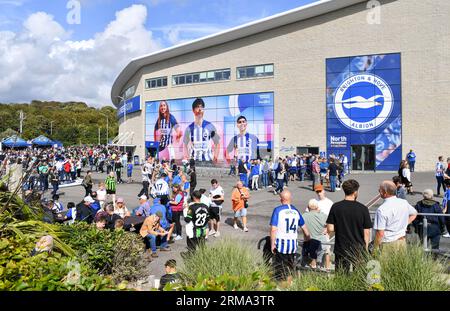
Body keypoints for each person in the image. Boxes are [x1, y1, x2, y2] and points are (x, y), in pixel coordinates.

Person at [326, 179, 372, 273]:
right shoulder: (363, 209)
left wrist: (341, 226)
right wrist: (366, 248)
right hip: (358, 248)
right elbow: (366, 232)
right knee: (359, 276)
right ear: (355, 192)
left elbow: (330, 228)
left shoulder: (336, 207)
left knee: (341, 276)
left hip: (341, 248)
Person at [270, 190, 311, 281]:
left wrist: (272, 244)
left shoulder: (278, 210)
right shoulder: (295, 211)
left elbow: (273, 229)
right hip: (292, 244)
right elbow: (304, 227)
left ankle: (281, 284)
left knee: (280, 267)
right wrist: (308, 239)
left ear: (281, 199)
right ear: (290, 199)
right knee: (290, 265)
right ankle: (289, 283)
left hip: (281, 243)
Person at [373, 181, 417, 252]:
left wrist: (375, 248)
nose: (379, 191)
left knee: (385, 263)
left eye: (379, 190)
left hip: (388, 244)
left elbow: (380, 233)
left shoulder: (382, 209)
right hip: (401, 241)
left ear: (385, 192)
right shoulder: (403, 202)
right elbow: (414, 213)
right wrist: (405, 223)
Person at [183, 98, 220, 162]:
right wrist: (187, 157)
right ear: (193, 110)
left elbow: (217, 143)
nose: (200, 109)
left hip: (208, 162)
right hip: (194, 163)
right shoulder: (189, 128)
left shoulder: (210, 126)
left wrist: (215, 157)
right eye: (197, 107)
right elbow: (185, 145)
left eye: (202, 107)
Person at [302, 199, 329, 270]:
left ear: (308, 207)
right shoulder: (323, 216)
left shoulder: (304, 216)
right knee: (325, 247)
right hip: (321, 245)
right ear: (317, 207)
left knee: (308, 249)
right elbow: (330, 226)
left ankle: (311, 262)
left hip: (308, 243)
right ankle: (320, 264)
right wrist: (326, 229)